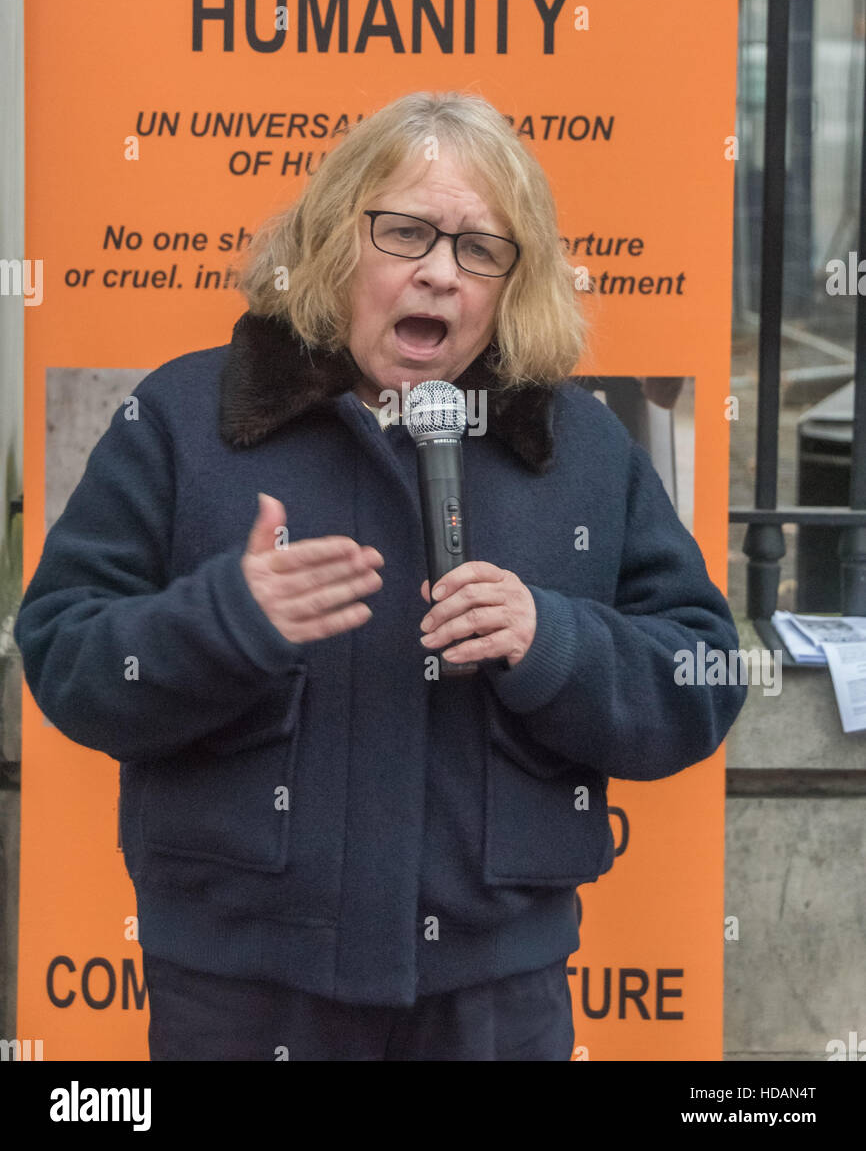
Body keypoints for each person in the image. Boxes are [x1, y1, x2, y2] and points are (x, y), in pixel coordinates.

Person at [14, 90, 746, 1062]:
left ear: (510, 284)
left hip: (491, 994)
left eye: (478, 249)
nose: (439, 274)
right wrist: (220, 624)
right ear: (331, 240)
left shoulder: (579, 445)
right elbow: (62, 651)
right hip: (243, 992)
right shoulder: (186, 417)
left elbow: (700, 676)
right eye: (404, 233)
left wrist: (552, 637)